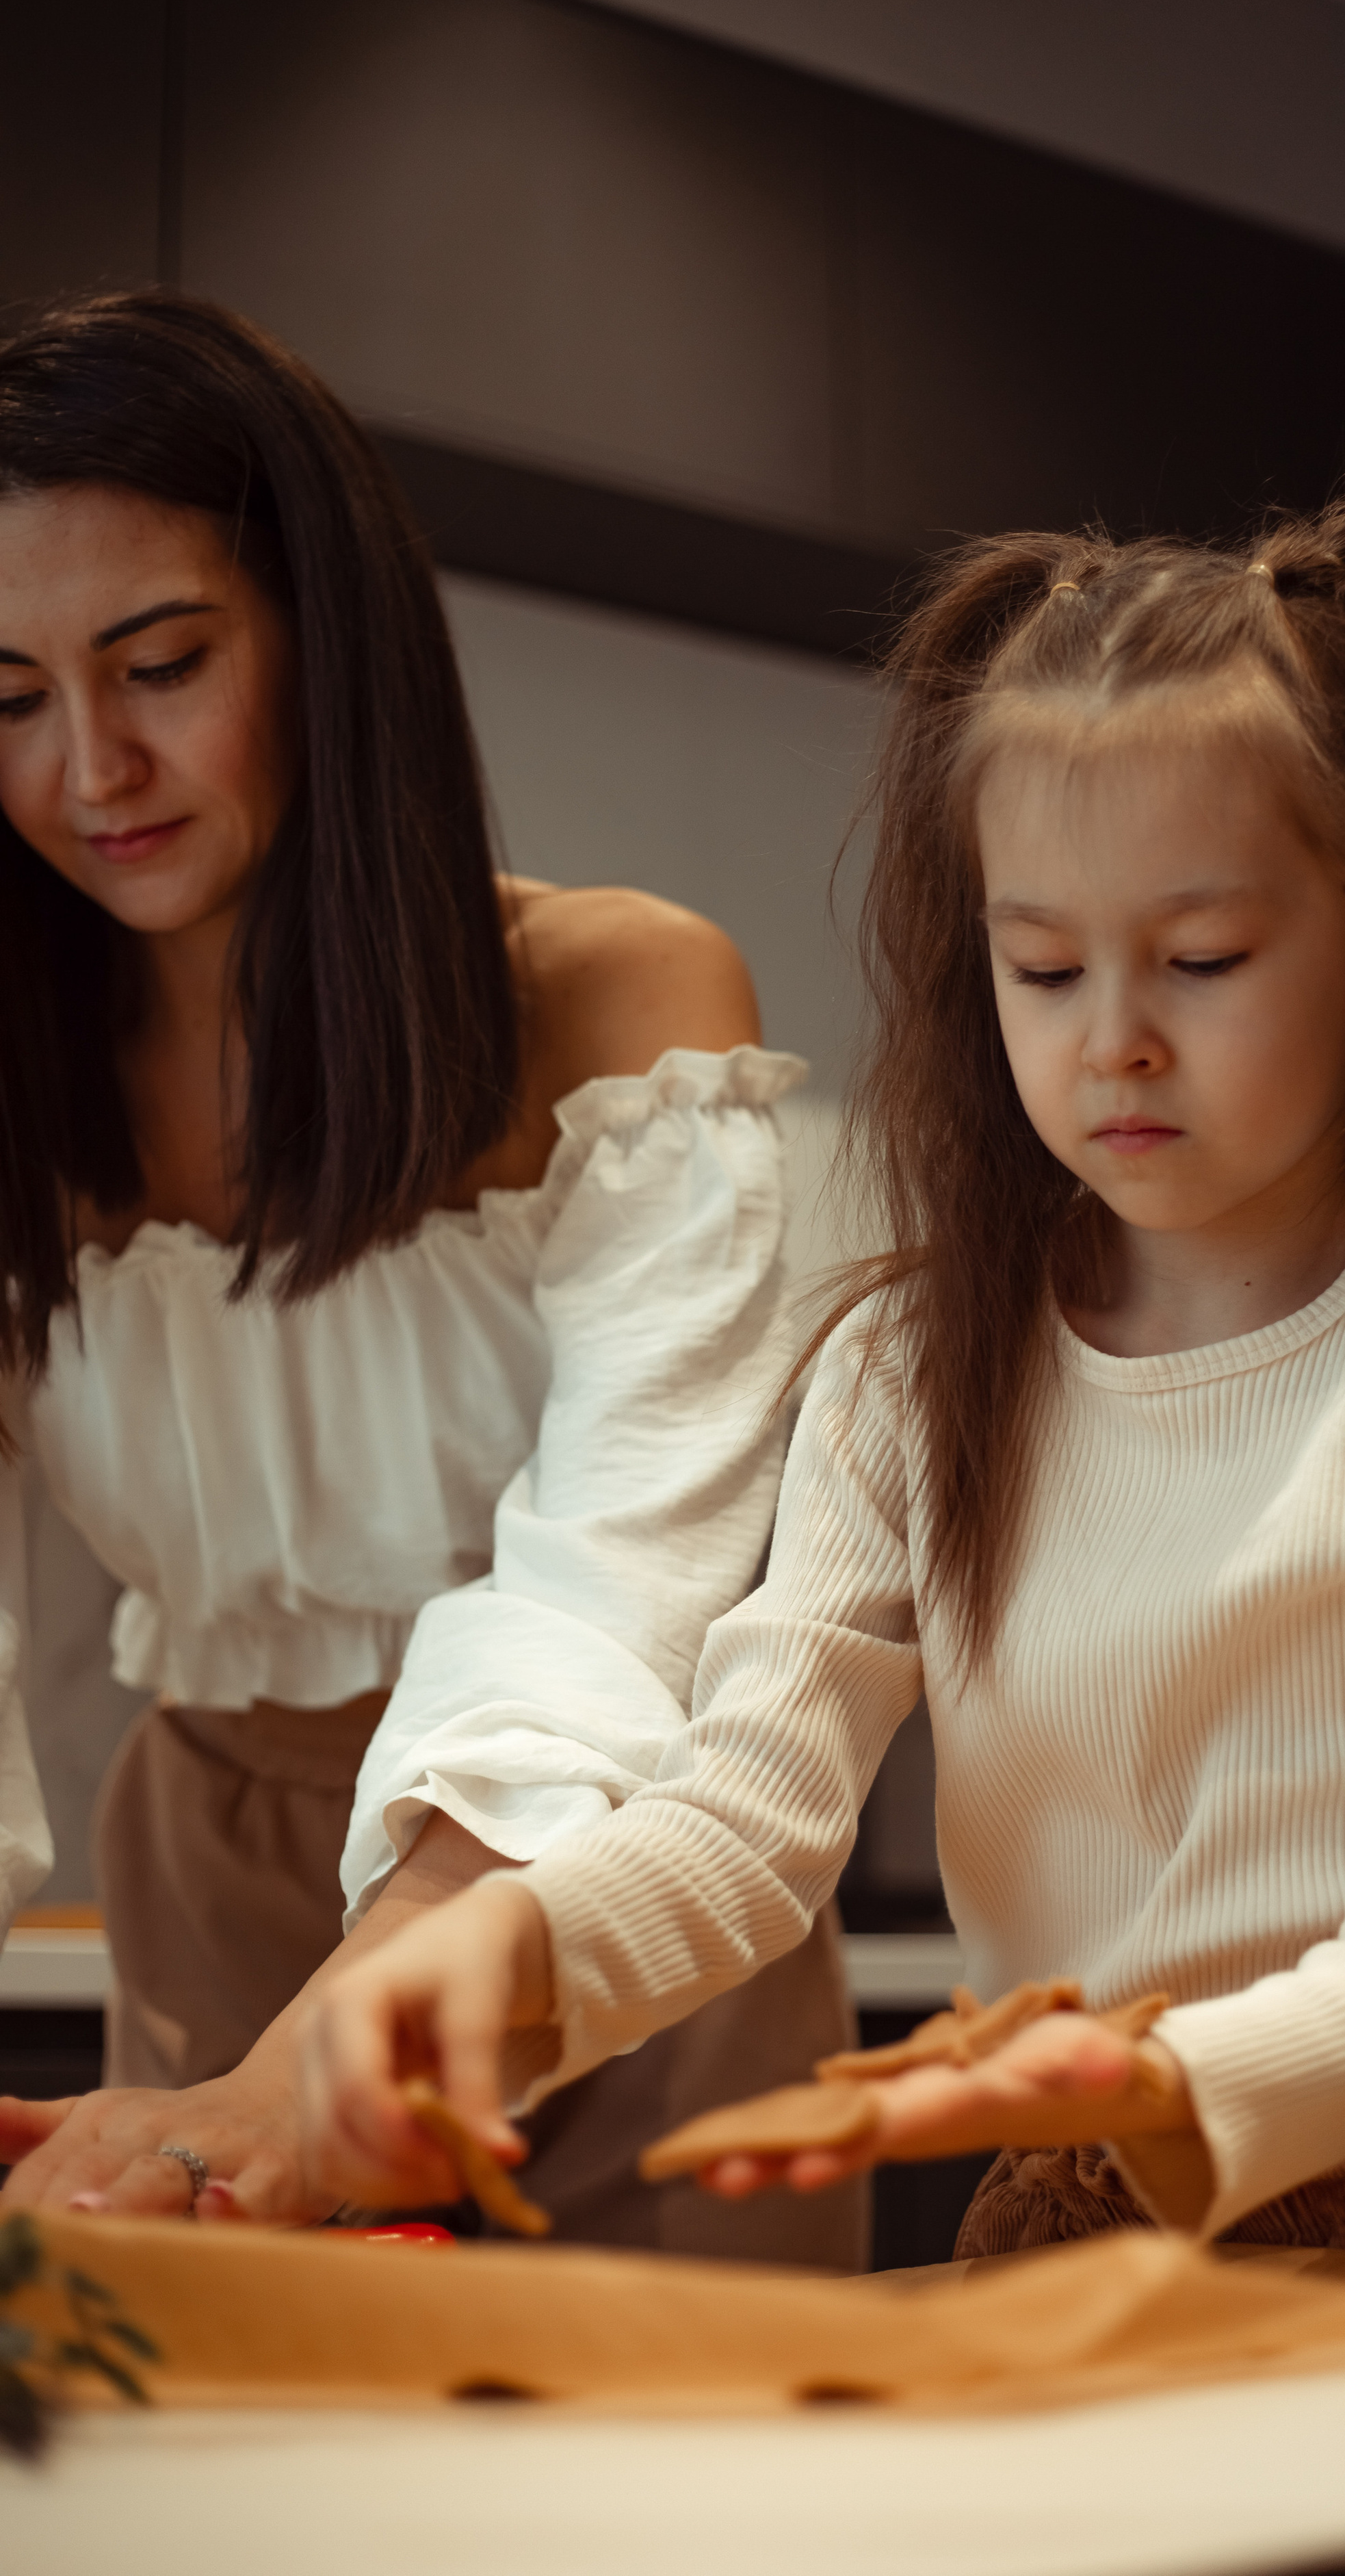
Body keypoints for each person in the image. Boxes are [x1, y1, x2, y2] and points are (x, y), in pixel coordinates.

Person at [303, 493, 1345, 2274]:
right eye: (1043, 966)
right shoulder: (908, 1361)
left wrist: (1136, 2076)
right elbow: (750, 1820)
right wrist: (517, 1949)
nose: (1113, 1035)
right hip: (1061, 2224)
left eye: (1201, 961)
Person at [0, 292, 859, 2265]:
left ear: (327, 632)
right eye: (8, 695)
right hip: (211, 1891)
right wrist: (249, 2060)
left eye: (161, 663)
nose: (90, 767)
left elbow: (618, 1584)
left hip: (617, 1898)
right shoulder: (14, 1107)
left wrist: (323, 2058)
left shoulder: (615, 1003)